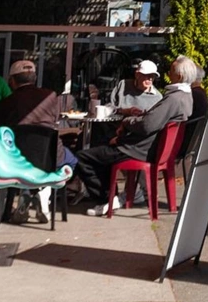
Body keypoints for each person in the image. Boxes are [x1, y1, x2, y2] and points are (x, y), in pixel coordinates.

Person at [76, 55, 198, 216]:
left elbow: (148, 125)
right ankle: (111, 195)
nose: (168, 73)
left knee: (83, 157)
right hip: (145, 146)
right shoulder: (185, 97)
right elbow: (151, 120)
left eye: (171, 70)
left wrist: (127, 122)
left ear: (180, 76)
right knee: (102, 151)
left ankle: (106, 199)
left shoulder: (172, 99)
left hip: (137, 148)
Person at [0, 59, 76, 224]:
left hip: (15, 163)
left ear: (12, 81)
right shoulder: (51, 97)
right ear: (34, 78)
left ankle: (14, 199)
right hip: (49, 158)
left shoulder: (6, 102)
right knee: (71, 160)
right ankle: (43, 193)